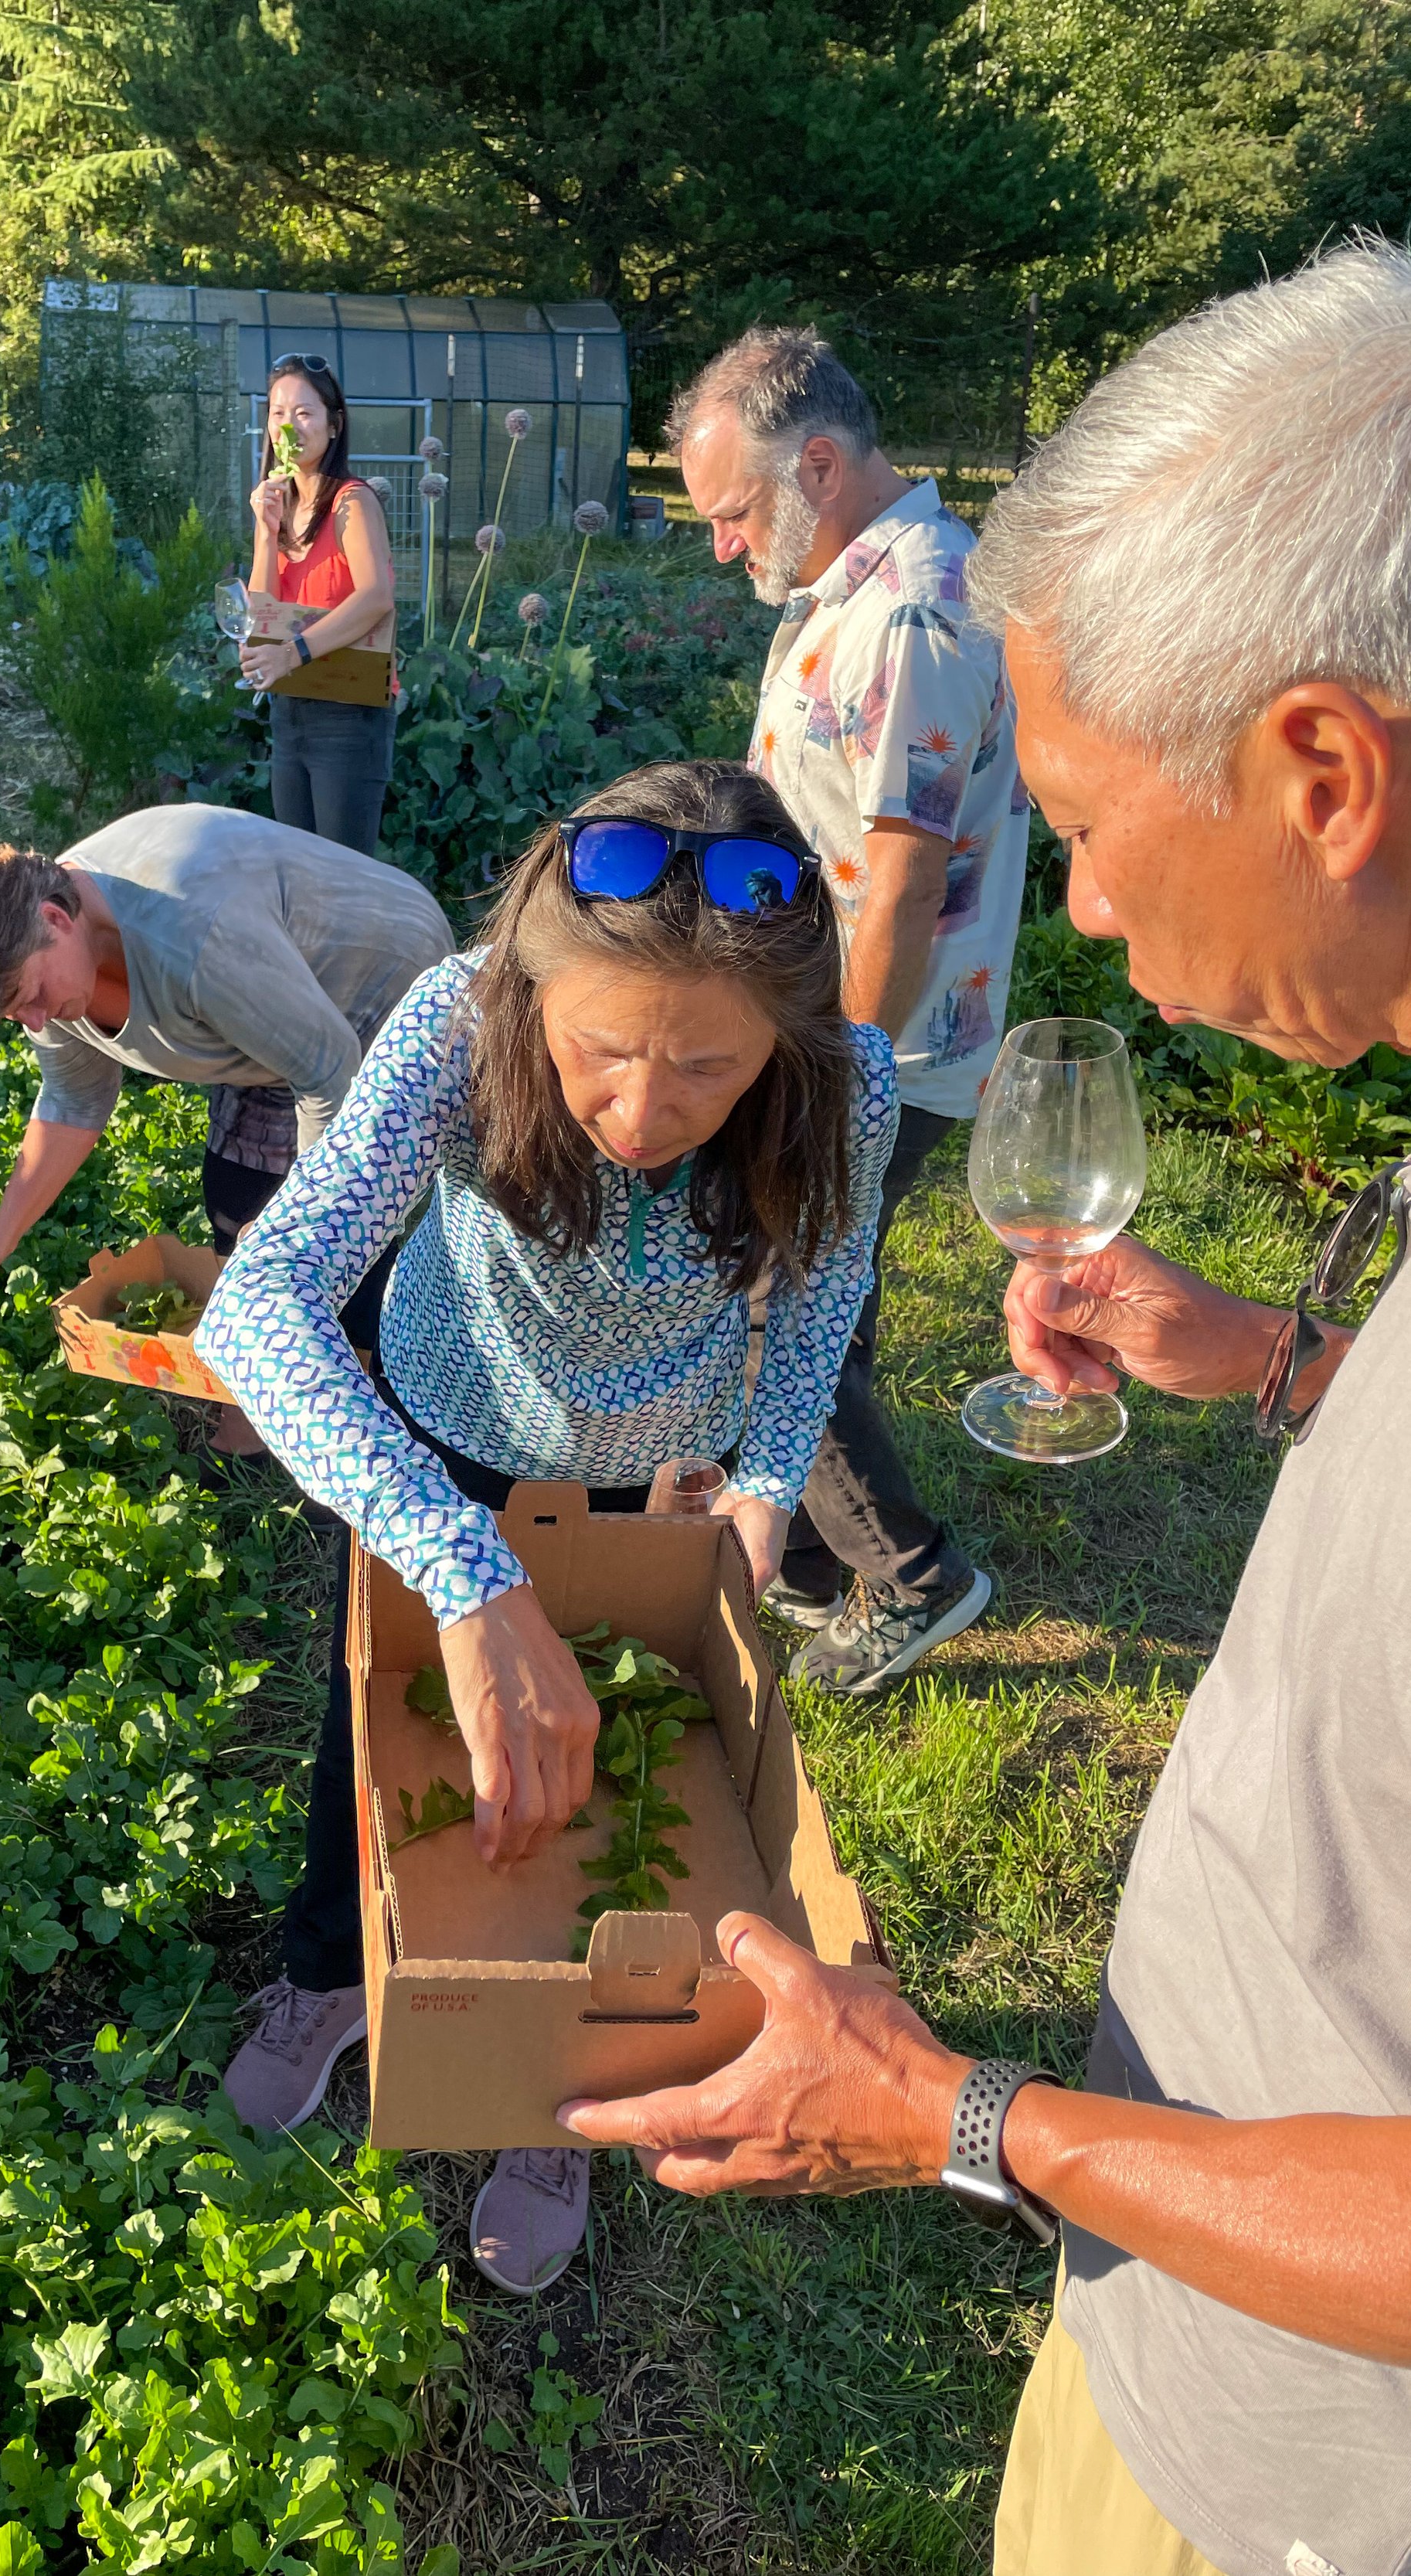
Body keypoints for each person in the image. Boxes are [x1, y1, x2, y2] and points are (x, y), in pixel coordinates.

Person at [560, 243, 1411, 2576]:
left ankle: (901, 1576)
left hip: (1308, 2485)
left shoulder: (910, 611)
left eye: (1093, 818)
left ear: (1318, 770)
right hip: (1172, 2307)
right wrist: (1277, 1362)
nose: (1088, 908)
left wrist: (961, 2114)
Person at [194, 758, 900, 2294]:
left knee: (620, 1783)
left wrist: (769, 1488)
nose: (642, 1113)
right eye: (598, 1052)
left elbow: (821, 1307)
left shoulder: (851, 1076)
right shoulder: (457, 1018)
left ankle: (558, 2086)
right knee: (372, 1735)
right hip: (441, 1442)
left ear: (782, 1041)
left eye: (708, 1071)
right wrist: (457, 1565)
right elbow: (258, 1304)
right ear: (531, 987)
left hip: (663, 1484)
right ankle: (329, 1972)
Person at [669, 326, 1027, 1693]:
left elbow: (903, 884)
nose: (722, 546)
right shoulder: (854, 584)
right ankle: (815, 1563)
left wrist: (842, 1087)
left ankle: (915, 1575)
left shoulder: (912, 614)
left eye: (736, 511)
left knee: (771, 1299)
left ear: (818, 462)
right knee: (825, 1286)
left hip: (874, 1041)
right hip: (838, 1027)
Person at [0, 806, 452, 1450]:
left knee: (341, 1243)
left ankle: (361, 1425)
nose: (37, 1022)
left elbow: (328, 1070)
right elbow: (74, 1096)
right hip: (276, 1016)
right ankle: (265, 1399)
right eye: (16, 1015)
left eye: (31, 995)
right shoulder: (46, 966)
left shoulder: (194, 936)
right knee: (241, 1199)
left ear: (54, 919)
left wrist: (312, 1236)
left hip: (384, 982)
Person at [241, 354, 398, 856]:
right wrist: (266, 535)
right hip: (292, 713)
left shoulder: (353, 502)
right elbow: (261, 615)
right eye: (278, 413)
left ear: (335, 423)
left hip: (349, 716)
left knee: (343, 878)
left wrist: (292, 654)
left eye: (305, 413)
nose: (289, 425)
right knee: (298, 870)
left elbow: (376, 597)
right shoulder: (279, 506)